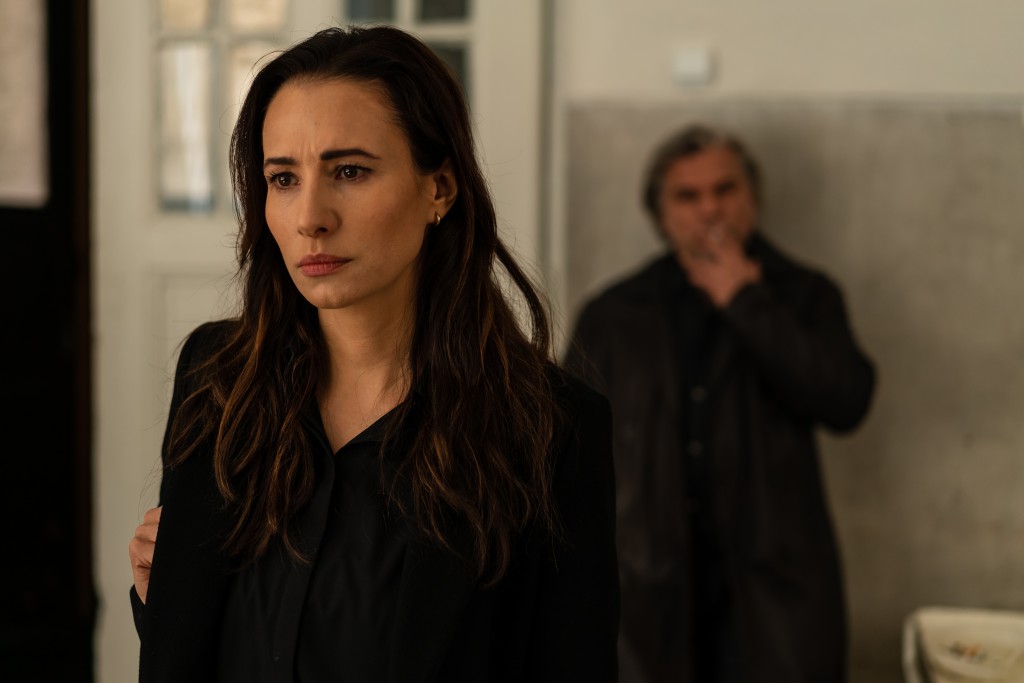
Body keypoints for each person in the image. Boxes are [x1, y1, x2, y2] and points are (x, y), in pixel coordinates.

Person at [128, 25, 618, 683]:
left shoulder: (549, 427)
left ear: (439, 188)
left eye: (350, 172)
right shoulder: (216, 376)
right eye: (283, 178)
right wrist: (164, 595)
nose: (310, 217)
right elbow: (187, 649)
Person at [565, 124, 876, 683]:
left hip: (773, 591)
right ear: (660, 213)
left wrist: (745, 300)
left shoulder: (806, 295)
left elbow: (846, 401)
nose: (710, 208)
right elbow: (567, 449)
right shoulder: (614, 314)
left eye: (725, 189)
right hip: (649, 591)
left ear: (753, 197)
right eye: (688, 196)